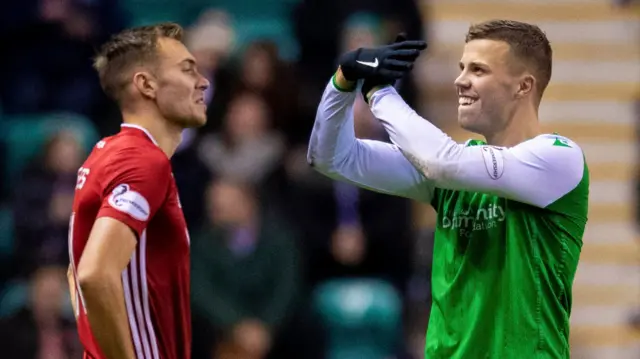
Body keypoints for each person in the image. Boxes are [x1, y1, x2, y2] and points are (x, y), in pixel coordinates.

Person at [308, 20, 589, 359]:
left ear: (523, 86)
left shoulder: (559, 158)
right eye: (461, 68)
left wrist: (378, 91)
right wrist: (344, 80)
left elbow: (442, 162)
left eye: (478, 70)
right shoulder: (455, 168)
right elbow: (331, 158)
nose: (460, 81)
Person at [67, 22, 209, 359]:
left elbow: (74, 273)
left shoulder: (107, 151)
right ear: (146, 84)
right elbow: (94, 274)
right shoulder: (142, 160)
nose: (203, 81)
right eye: (188, 70)